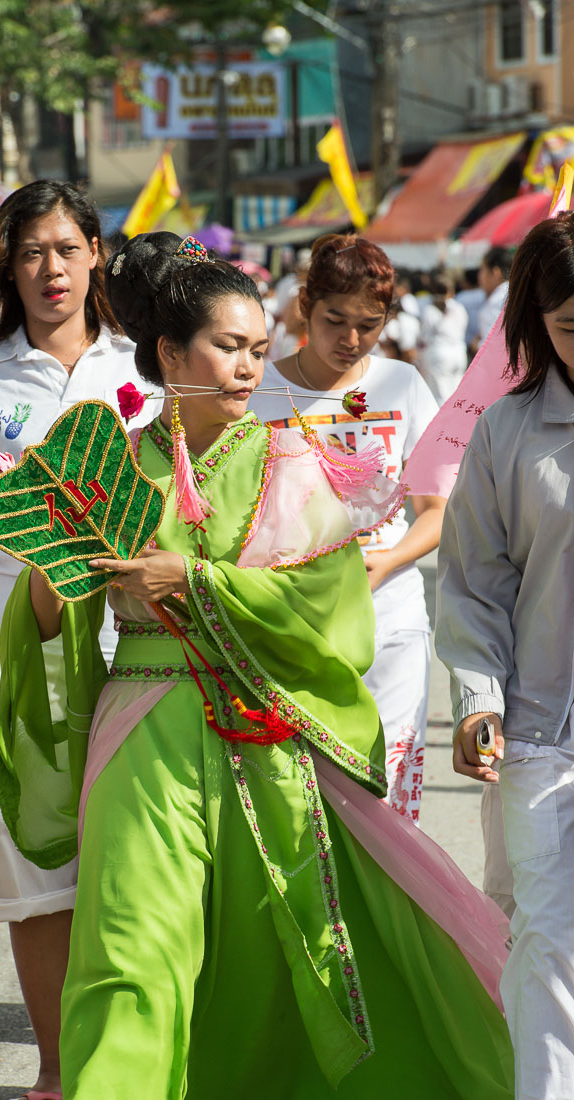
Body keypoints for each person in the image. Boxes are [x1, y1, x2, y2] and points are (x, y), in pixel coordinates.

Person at [0, 231, 514, 1098]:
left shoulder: (293, 465)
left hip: (263, 734)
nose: (247, 368)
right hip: (143, 730)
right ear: (169, 352)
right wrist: (54, 572)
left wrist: (194, 579)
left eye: (258, 351)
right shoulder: (112, 464)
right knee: (131, 950)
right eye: (228, 348)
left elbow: (331, 609)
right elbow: (53, 618)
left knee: (264, 955)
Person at [0, 179, 153, 1100]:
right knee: (29, 863)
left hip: (134, 648)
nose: (51, 269)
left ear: (97, 254)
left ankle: (131, 1059)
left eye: (67, 249)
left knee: (128, 856)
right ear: (7, 264)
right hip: (3, 655)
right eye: (31, 252)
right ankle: (59, 1069)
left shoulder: (141, 365)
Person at [436, 211, 574, 1100]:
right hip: (539, 735)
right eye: (570, 328)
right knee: (549, 940)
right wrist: (478, 698)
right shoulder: (507, 433)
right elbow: (473, 585)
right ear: (537, 322)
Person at [257, 234, 442, 822]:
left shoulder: (403, 386)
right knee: (302, 804)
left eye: (370, 323)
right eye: (336, 319)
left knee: (388, 800)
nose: (352, 339)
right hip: (291, 631)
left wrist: (386, 562)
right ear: (304, 305)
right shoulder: (256, 390)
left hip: (391, 623)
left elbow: (437, 509)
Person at [417, 272, 469, 405]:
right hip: (459, 353)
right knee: (457, 394)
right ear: (451, 291)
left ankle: (445, 426)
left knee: (440, 397)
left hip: (439, 355)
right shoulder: (459, 307)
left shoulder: (430, 309)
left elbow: (425, 336)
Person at [475, 246, 512, 348]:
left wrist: (476, 344)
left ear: (496, 272)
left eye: (482, 270)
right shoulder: (513, 292)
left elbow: (493, 346)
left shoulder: (497, 300)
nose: (479, 276)